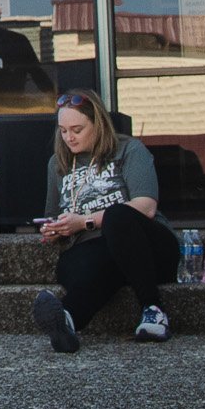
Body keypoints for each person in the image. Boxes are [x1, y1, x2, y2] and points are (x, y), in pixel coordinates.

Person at [30, 89, 176, 353]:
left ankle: (153, 308)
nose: (69, 137)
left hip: (146, 246)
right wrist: (54, 229)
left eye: (77, 129)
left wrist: (84, 222)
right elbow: (53, 213)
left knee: (117, 216)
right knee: (85, 263)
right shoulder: (58, 164)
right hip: (94, 252)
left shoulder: (128, 150)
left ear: (98, 124)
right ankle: (67, 320)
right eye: (63, 131)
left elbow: (146, 207)